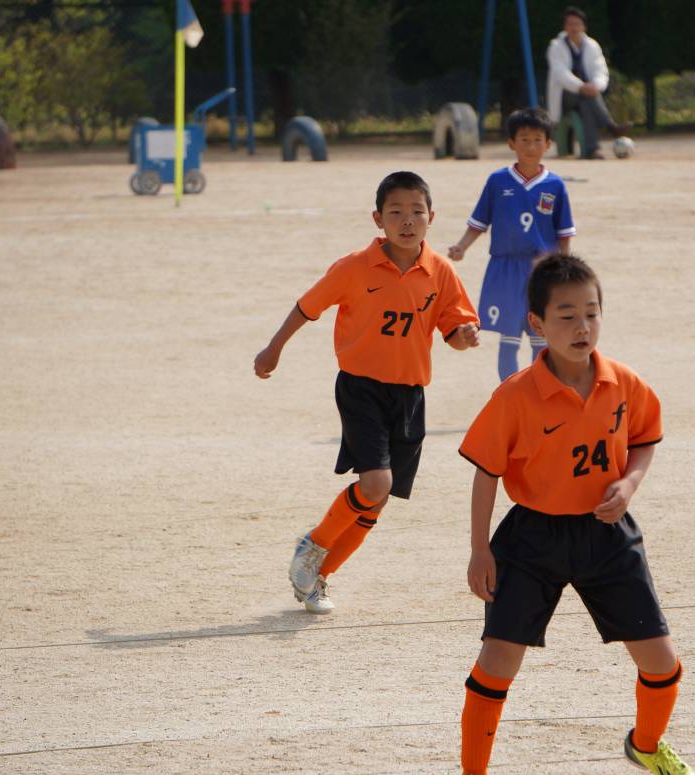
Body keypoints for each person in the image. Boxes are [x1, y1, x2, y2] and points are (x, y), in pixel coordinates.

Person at [444, 255, 695, 775]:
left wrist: (629, 484)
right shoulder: (515, 395)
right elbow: (486, 473)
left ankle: (648, 745)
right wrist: (479, 550)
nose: (582, 326)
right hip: (531, 538)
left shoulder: (623, 383)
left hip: (606, 536)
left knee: (662, 661)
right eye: (566, 316)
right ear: (536, 323)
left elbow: (645, 440)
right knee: (498, 660)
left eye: (591, 312)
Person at [254, 171, 480, 614]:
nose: (407, 221)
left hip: (410, 395)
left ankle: (317, 577)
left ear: (431, 218)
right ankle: (312, 545)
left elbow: (453, 330)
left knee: (376, 502)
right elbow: (307, 307)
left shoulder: (441, 272)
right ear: (378, 219)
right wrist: (274, 347)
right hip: (361, 388)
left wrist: (464, 337)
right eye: (396, 212)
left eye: (416, 211)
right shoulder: (354, 267)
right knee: (376, 483)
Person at [448, 108, 575, 381]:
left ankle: (539, 389)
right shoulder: (498, 181)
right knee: (509, 336)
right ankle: (510, 392)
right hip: (505, 267)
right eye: (524, 140)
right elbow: (480, 221)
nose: (531, 146)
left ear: (548, 144)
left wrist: (564, 268)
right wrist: (462, 246)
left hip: (541, 269)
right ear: (511, 143)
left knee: (540, 334)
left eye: (537, 140)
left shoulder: (555, 185)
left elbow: (564, 233)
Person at [545, 6, 629, 159]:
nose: (574, 28)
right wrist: (581, 86)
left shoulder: (592, 45)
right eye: (570, 24)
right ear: (565, 27)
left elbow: (601, 69)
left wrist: (596, 86)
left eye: (577, 24)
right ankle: (610, 126)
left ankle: (592, 150)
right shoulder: (556, 47)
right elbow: (560, 73)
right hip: (565, 95)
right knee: (587, 96)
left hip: (587, 95)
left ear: (584, 26)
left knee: (586, 104)